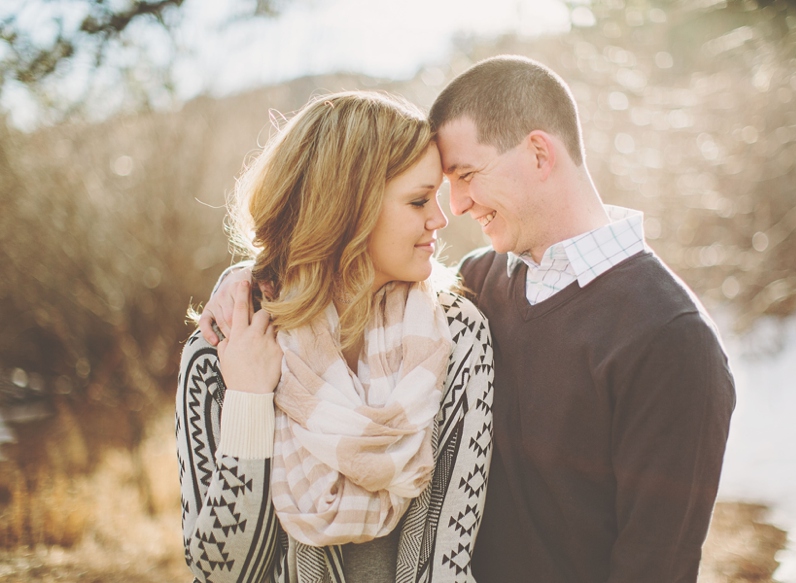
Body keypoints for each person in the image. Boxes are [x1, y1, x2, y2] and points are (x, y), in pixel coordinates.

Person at [202, 56, 736, 583]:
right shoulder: (482, 284)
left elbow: (656, 567)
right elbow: (349, 265)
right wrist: (254, 278)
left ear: (538, 154)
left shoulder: (672, 338)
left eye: (466, 176)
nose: (454, 206)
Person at [177, 91, 493, 583]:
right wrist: (248, 400)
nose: (440, 218)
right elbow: (222, 572)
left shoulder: (457, 336)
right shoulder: (222, 346)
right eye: (417, 200)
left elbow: (444, 560)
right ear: (346, 209)